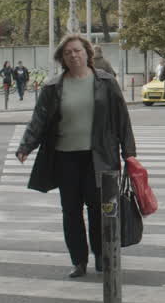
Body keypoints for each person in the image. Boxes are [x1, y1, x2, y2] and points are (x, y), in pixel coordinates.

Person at [14, 34, 137, 278]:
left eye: (77, 51)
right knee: (70, 210)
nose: (73, 55)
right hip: (65, 158)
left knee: (97, 209)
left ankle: (101, 256)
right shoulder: (53, 87)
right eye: (68, 52)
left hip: (98, 157)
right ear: (62, 58)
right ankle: (78, 261)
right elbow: (39, 119)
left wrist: (129, 154)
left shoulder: (105, 82)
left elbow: (122, 119)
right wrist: (26, 146)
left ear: (87, 53)